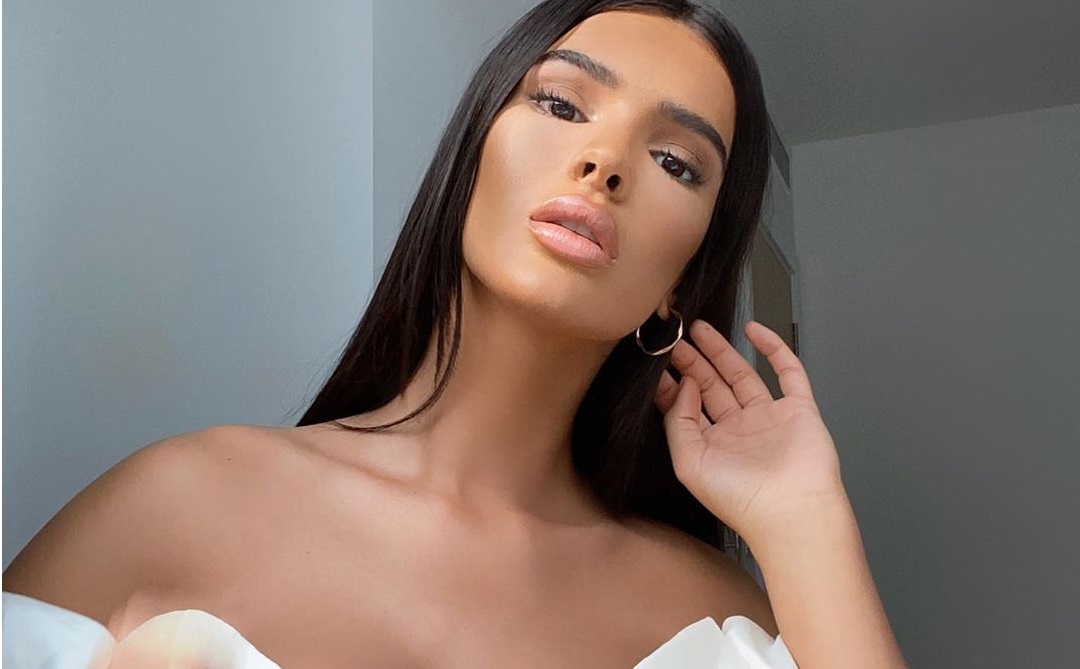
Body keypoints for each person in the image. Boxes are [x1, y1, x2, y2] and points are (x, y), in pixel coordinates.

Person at [3, 0, 908, 667]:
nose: (604, 163)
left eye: (675, 161)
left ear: (680, 283)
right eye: (562, 105)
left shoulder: (717, 616)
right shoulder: (175, 502)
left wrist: (806, 521)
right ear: (471, 158)